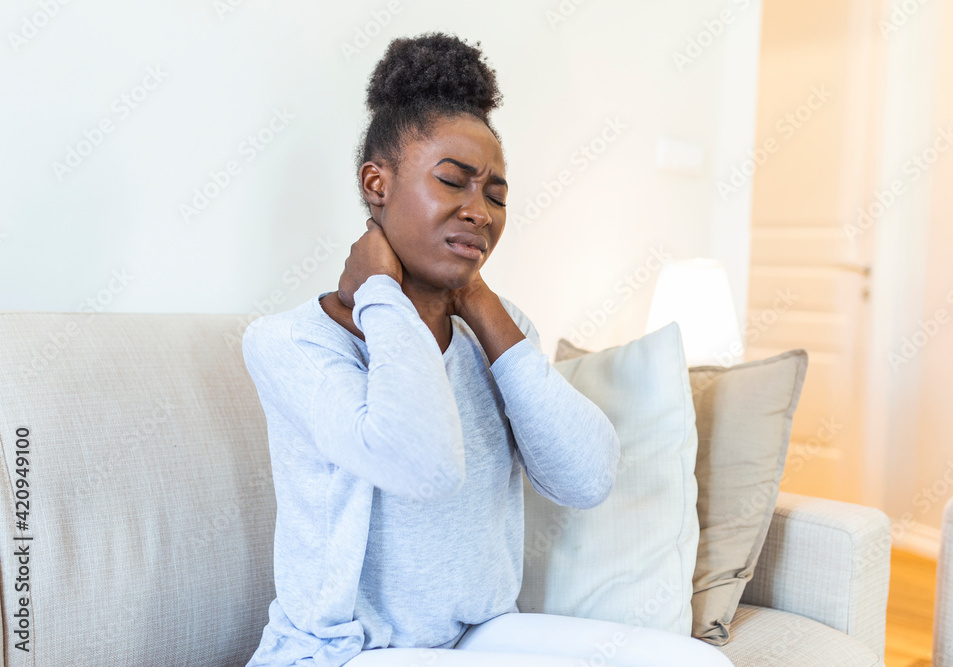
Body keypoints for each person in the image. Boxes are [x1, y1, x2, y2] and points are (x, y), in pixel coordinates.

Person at [242, 31, 734, 667]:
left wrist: (478, 300)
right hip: (342, 654)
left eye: (496, 194)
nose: (480, 211)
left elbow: (586, 479)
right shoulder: (290, 344)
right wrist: (382, 296)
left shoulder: (496, 330)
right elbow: (423, 463)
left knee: (697, 663)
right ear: (377, 183)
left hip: (479, 635)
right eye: (454, 182)